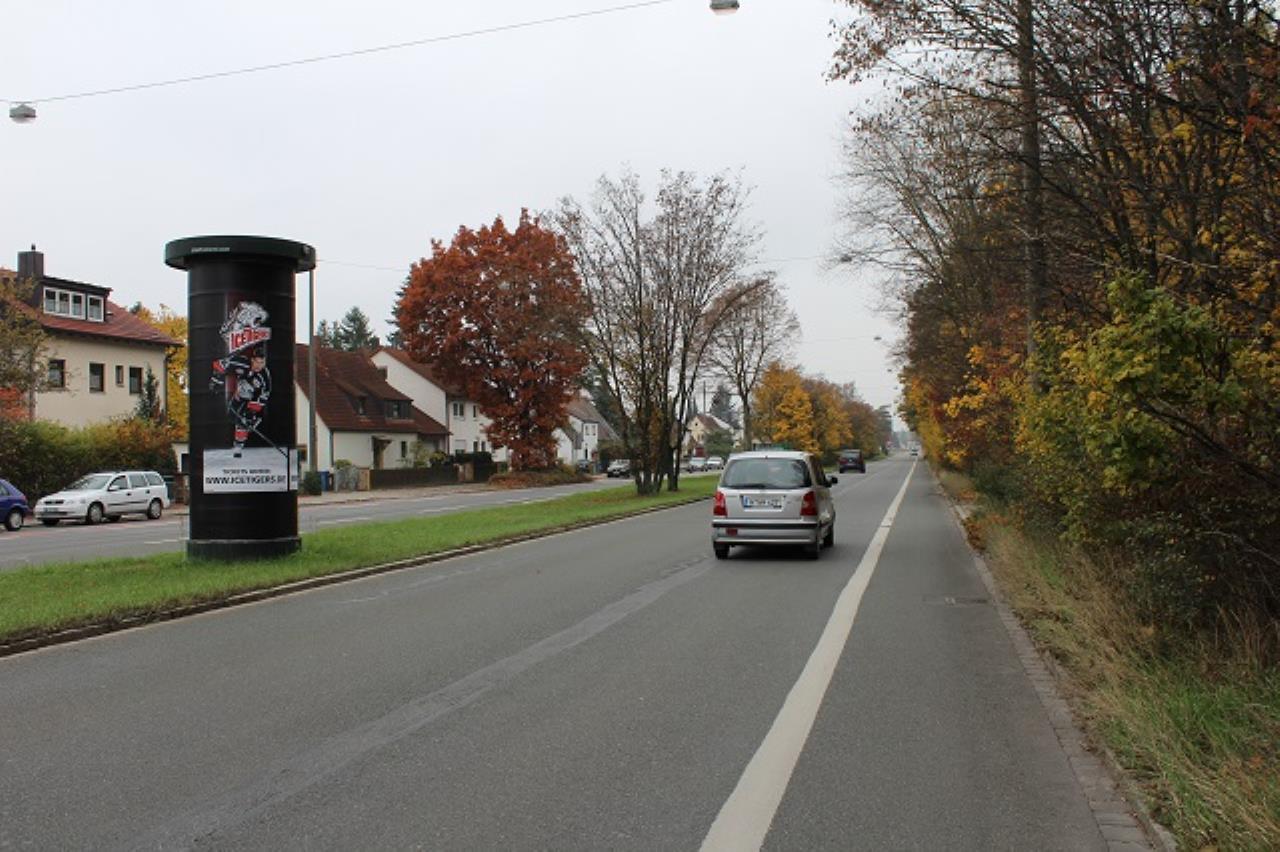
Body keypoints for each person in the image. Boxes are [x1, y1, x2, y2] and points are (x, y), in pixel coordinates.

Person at [211, 344, 271, 455]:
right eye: (257, 362)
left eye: (262, 363)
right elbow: (221, 364)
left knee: (243, 422)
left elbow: (264, 395)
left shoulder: (265, 377)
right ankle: (246, 422)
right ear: (252, 360)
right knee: (231, 416)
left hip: (253, 399)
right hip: (239, 395)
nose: (259, 366)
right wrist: (216, 380)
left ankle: (238, 447)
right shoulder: (241, 362)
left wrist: (251, 411)